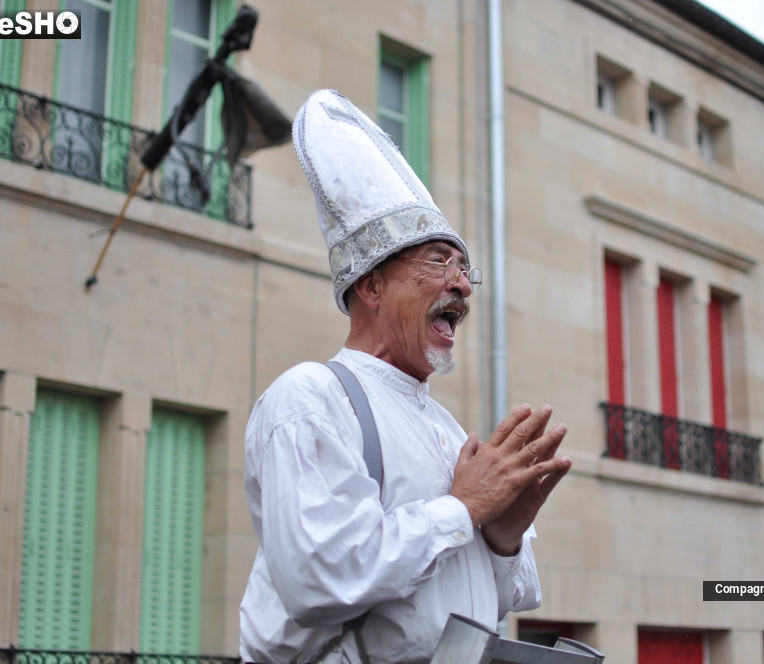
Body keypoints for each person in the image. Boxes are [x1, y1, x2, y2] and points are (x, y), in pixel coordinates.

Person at [239, 89, 572, 664]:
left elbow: (497, 600)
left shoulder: (445, 428)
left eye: (464, 268)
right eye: (438, 261)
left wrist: (501, 537)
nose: (462, 285)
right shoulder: (310, 398)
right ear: (371, 286)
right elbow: (318, 579)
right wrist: (463, 509)